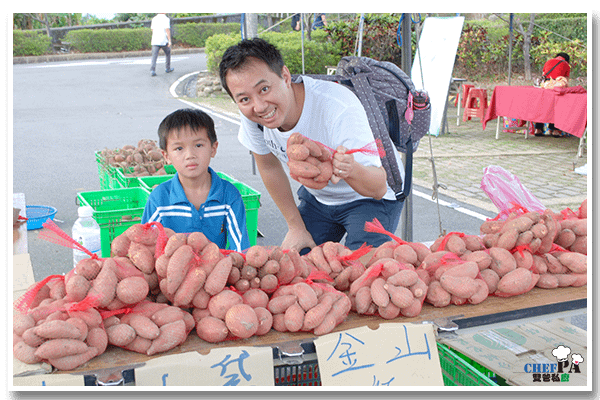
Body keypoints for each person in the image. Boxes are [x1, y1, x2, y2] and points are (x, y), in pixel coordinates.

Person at [219, 38, 405, 252]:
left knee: (357, 274)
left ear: (285, 77)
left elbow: (378, 188)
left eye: (264, 89)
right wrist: (295, 227)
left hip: (370, 199)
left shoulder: (338, 107)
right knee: (296, 269)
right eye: (244, 99)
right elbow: (268, 166)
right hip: (319, 200)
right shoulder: (253, 115)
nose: (259, 106)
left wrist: (349, 168)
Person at [141, 108, 250, 252]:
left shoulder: (229, 196)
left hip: (217, 270)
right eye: (179, 148)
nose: (190, 155)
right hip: (171, 272)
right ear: (166, 156)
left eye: (198, 145)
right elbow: (146, 247)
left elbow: (241, 249)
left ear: (213, 148)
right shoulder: (159, 199)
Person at [535, 53, 571, 137]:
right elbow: (566, 80)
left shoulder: (548, 61)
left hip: (546, 86)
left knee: (542, 107)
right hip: (557, 87)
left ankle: (538, 129)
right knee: (556, 108)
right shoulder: (566, 64)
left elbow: (543, 74)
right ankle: (555, 130)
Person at [150, 13, 174, 77]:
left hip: (155, 40)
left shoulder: (154, 19)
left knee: (154, 56)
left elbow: (152, 29)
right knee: (168, 52)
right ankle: (167, 68)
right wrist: (169, 40)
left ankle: (152, 70)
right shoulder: (166, 19)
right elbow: (167, 30)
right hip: (163, 40)